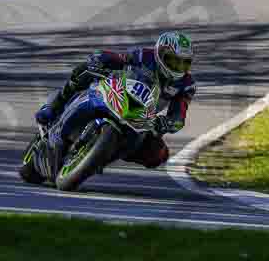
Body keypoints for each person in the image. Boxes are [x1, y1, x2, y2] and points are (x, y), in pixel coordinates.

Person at [35, 32, 196, 169]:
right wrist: (100, 59)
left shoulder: (186, 85)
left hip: (143, 117)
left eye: (184, 63)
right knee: (84, 71)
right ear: (159, 54)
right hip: (118, 93)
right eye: (173, 60)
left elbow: (179, 115)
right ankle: (55, 105)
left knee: (159, 155)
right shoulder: (144, 56)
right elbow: (119, 58)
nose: (178, 67)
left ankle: (101, 156)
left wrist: (168, 123)